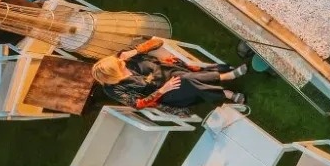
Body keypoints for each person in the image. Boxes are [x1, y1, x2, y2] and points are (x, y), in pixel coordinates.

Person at [93, 37, 246, 110]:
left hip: (170, 70)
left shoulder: (123, 57)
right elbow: (138, 104)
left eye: (118, 61)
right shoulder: (112, 89)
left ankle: (226, 93)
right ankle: (226, 79)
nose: (121, 62)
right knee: (186, 80)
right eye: (119, 66)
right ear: (114, 75)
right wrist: (163, 90)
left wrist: (135, 51)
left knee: (186, 77)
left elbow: (157, 42)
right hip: (167, 93)